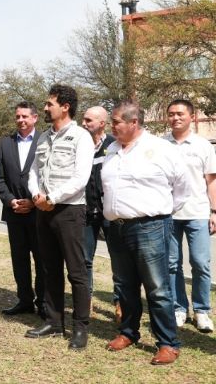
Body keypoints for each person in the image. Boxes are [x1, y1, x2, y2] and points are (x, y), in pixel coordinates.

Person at [102, 100, 192, 365]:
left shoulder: (160, 148)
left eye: (116, 121)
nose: (112, 126)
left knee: (157, 287)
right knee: (124, 285)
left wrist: (158, 213)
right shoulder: (112, 149)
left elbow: (183, 187)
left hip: (150, 227)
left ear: (133, 122)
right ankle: (129, 332)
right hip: (117, 228)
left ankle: (167, 343)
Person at [25, 84, 93, 351]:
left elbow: (81, 178)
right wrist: (36, 195)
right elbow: (33, 171)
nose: (45, 108)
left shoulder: (80, 137)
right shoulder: (43, 138)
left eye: (49, 103)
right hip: (44, 211)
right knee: (49, 268)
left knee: (76, 273)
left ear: (65, 106)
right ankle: (54, 322)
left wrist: (52, 198)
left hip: (69, 212)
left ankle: (80, 328)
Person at [164, 99, 216, 333]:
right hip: (169, 214)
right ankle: (179, 307)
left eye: (180, 114)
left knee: (201, 263)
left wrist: (214, 210)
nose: (175, 118)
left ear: (192, 117)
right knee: (172, 264)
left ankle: (202, 310)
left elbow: (211, 180)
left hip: (198, 212)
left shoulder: (203, 145)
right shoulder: (161, 144)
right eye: (171, 114)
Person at [0, 101, 45, 319]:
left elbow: (49, 175)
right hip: (14, 212)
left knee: (42, 259)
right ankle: (24, 300)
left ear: (35, 118)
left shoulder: (45, 140)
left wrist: (35, 201)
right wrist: (11, 201)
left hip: (40, 211)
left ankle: (43, 302)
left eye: (25, 116)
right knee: (19, 258)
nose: (21, 120)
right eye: (18, 117)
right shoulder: (5, 143)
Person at [80, 106, 117, 319]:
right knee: (85, 259)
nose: (84, 123)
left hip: (110, 212)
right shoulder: (79, 145)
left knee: (118, 259)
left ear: (102, 123)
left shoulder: (114, 144)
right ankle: (86, 301)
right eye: (83, 120)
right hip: (85, 212)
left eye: (88, 120)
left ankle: (120, 302)